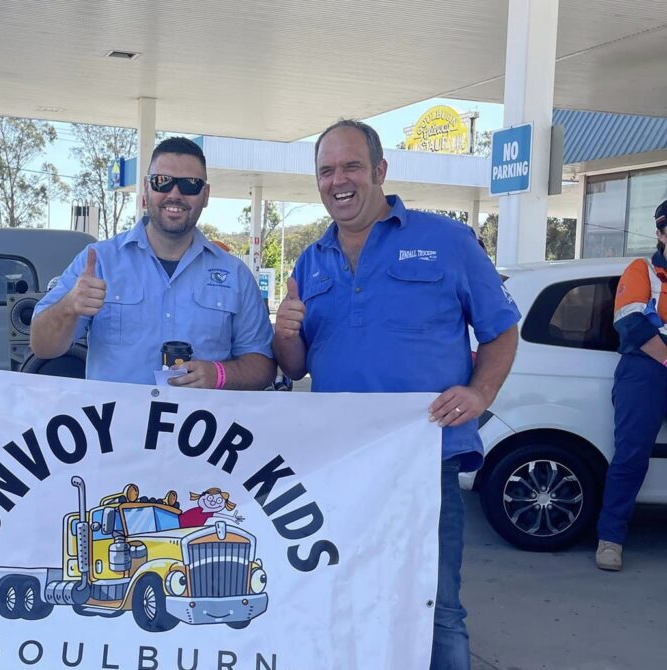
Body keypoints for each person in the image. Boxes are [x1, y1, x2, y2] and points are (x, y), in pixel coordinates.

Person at [273, 120, 520, 670]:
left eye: (352, 166)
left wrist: (480, 392)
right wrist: (284, 333)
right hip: (339, 466)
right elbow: (295, 366)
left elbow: (502, 329)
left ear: (380, 170)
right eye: (326, 171)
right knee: (344, 600)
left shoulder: (448, 241)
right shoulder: (311, 261)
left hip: (423, 462)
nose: (338, 181)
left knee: (436, 608)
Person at [31, 136, 275, 389]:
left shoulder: (235, 274)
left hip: (200, 417)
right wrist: (68, 306)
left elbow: (264, 365)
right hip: (116, 416)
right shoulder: (99, 261)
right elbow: (41, 346)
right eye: (162, 182)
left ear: (206, 195)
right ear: (146, 190)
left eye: (190, 185)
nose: (175, 194)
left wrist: (220, 374)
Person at [595, 199, 667, 572]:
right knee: (632, 456)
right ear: (660, 233)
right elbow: (631, 324)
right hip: (645, 370)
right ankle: (610, 539)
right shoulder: (643, 270)